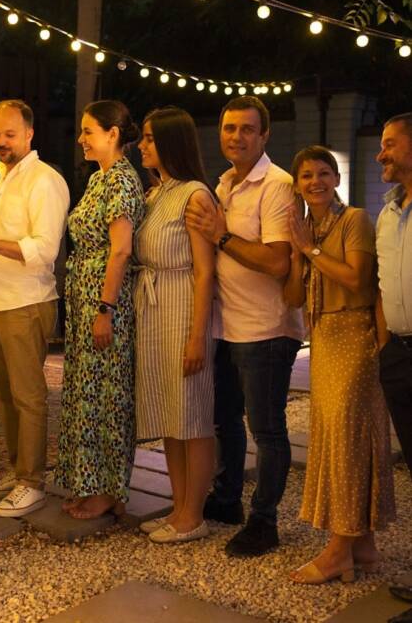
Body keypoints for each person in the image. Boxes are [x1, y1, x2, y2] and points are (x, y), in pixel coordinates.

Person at [185, 96, 304, 557]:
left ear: (265, 136)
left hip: (267, 329)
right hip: (227, 324)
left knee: (268, 429)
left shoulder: (277, 185)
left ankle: (264, 521)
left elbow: (277, 261)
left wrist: (221, 235)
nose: (237, 136)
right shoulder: (224, 184)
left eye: (247, 129)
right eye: (229, 128)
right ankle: (229, 499)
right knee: (225, 419)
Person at [282, 145, 395, 583]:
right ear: (297, 184)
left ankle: (337, 551)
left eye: (324, 173)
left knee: (349, 442)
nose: (316, 181)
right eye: (307, 175)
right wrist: (296, 254)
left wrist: (310, 250)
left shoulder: (354, 221)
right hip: (324, 341)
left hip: (354, 337)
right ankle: (363, 548)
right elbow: (292, 298)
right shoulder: (305, 228)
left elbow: (358, 281)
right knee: (335, 441)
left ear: (337, 180)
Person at [0, 99, 70, 517]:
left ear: (29, 133)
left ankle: (32, 482)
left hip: (27, 301)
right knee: (4, 395)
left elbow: (45, 251)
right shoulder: (2, 178)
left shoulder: (44, 180)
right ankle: (16, 469)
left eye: (9, 133)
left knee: (28, 396)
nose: (1, 141)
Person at [53, 101, 145, 520]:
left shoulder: (122, 182)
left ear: (112, 134)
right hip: (85, 296)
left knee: (106, 394)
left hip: (105, 300)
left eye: (89, 131)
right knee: (85, 392)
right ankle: (88, 481)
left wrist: (105, 308)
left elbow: (121, 250)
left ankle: (109, 488)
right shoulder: (98, 180)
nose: (81, 139)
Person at [134, 107, 217, 543]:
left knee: (192, 414)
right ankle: (178, 506)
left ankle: (194, 514)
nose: (142, 145)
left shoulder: (194, 195)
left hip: (182, 303)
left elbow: (205, 271)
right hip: (153, 306)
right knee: (170, 414)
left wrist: (196, 336)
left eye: (149, 138)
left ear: (170, 142)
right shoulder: (155, 194)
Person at [373, 113, 412, 615]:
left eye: (389, 144)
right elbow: (383, 288)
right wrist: (386, 349)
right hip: (400, 354)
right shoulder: (387, 213)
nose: (381, 153)